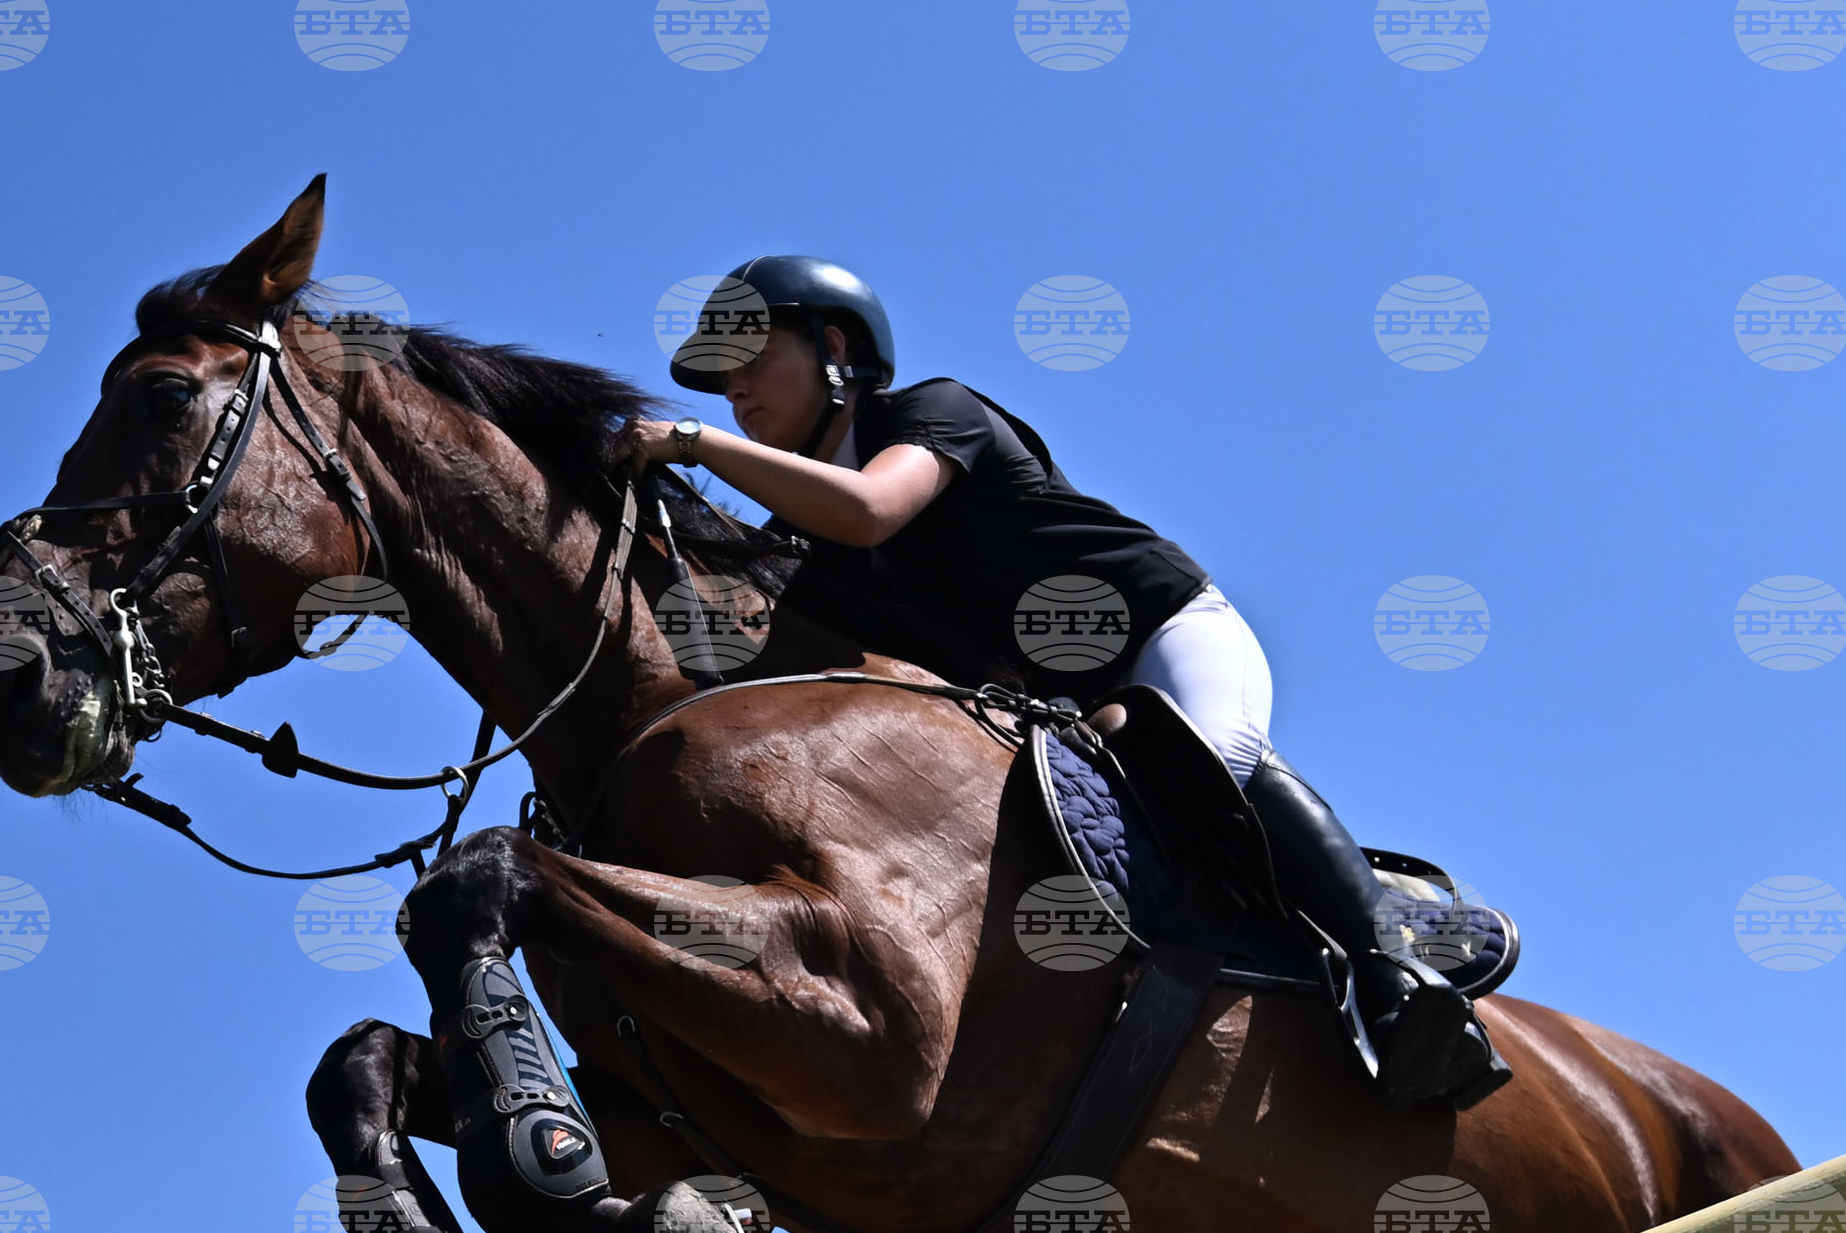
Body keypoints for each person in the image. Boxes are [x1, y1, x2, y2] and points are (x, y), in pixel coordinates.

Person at [619, 255, 1506, 1113]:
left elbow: (869, 509)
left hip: (1165, 631)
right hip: (1072, 712)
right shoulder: (803, 541)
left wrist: (691, 442)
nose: (733, 387)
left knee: (1203, 752)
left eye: (752, 354)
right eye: (719, 377)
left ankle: (1399, 971)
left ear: (836, 348)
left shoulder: (934, 410)